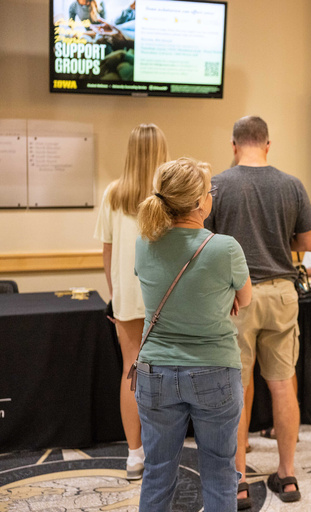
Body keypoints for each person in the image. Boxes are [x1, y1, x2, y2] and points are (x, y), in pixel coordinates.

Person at [204, 115, 311, 506]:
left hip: (236, 297)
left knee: (237, 387)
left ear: (234, 145)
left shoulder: (217, 185)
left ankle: (237, 480)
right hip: (283, 293)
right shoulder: (291, 184)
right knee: (283, 384)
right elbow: (308, 240)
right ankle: (287, 476)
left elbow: (204, 240)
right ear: (268, 144)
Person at [134, 157, 252, 511]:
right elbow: (244, 299)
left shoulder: (144, 242)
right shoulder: (224, 247)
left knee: (157, 472)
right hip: (215, 369)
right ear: (200, 202)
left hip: (155, 372)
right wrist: (223, 297)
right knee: (219, 471)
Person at [94, 123, 168, 480]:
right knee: (168, 371)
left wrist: (116, 295)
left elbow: (107, 255)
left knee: (131, 370)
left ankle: (134, 455)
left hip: (127, 298)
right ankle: (162, 449)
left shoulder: (113, 194)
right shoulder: (170, 194)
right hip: (165, 298)